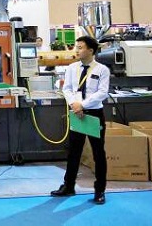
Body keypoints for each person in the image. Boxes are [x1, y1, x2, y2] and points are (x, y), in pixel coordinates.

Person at [51, 35, 110, 205]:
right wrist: (74, 104)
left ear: (91, 50)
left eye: (80, 47)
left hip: (93, 114)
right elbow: (67, 89)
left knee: (98, 153)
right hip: (76, 113)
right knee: (74, 152)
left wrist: (82, 105)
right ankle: (68, 186)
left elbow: (102, 92)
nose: (77, 50)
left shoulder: (102, 70)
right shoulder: (72, 68)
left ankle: (100, 190)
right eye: (76, 47)